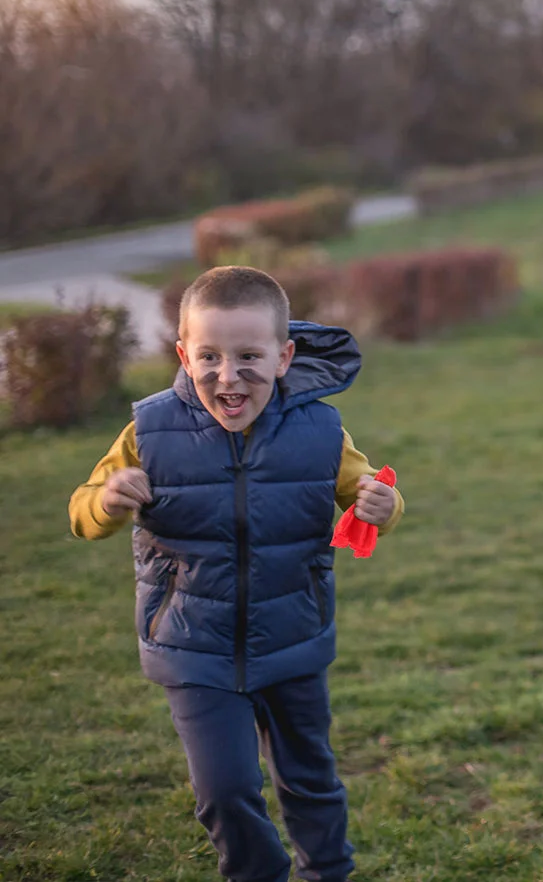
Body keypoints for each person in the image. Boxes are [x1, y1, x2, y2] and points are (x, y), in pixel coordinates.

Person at [69, 266, 404, 882]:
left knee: (309, 777)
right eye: (210, 356)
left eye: (249, 355)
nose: (229, 374)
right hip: (193, 644)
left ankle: (327, 871)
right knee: (224, 790)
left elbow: (367, 491)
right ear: (182, 354)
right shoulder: (149, 431)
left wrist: (382, 504)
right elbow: (83, 513)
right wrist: (109, 498)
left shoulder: (322, 431)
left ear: (284, 357)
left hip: (292, 637)